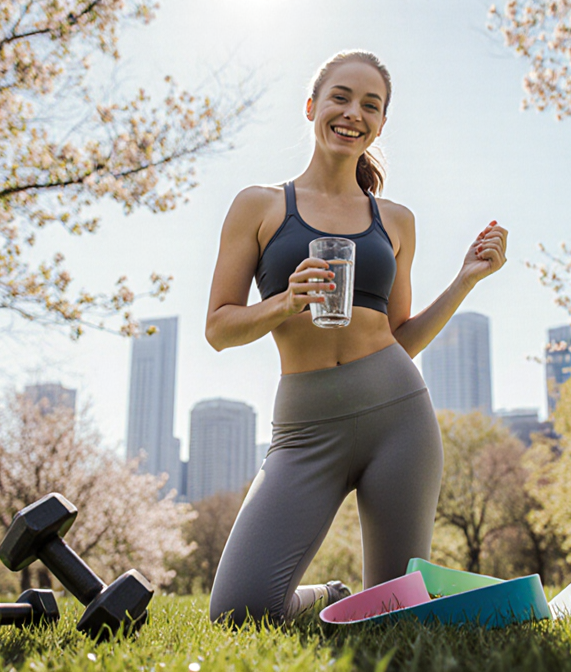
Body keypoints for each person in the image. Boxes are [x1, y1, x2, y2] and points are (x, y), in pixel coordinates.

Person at [204, 50, 508, 626]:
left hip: (398, 417)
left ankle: (411, 598)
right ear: (312, 106)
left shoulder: (395, 220)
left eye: (371, 105)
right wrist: (284, 303)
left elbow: (401, 336)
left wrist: (466, 280)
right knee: (238, 611)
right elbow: (218, 327)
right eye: (340, 97)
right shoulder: (260, 205)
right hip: (304, 428)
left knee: (395, 614)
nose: (353, 113)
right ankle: (330, 597)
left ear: (382, 124)